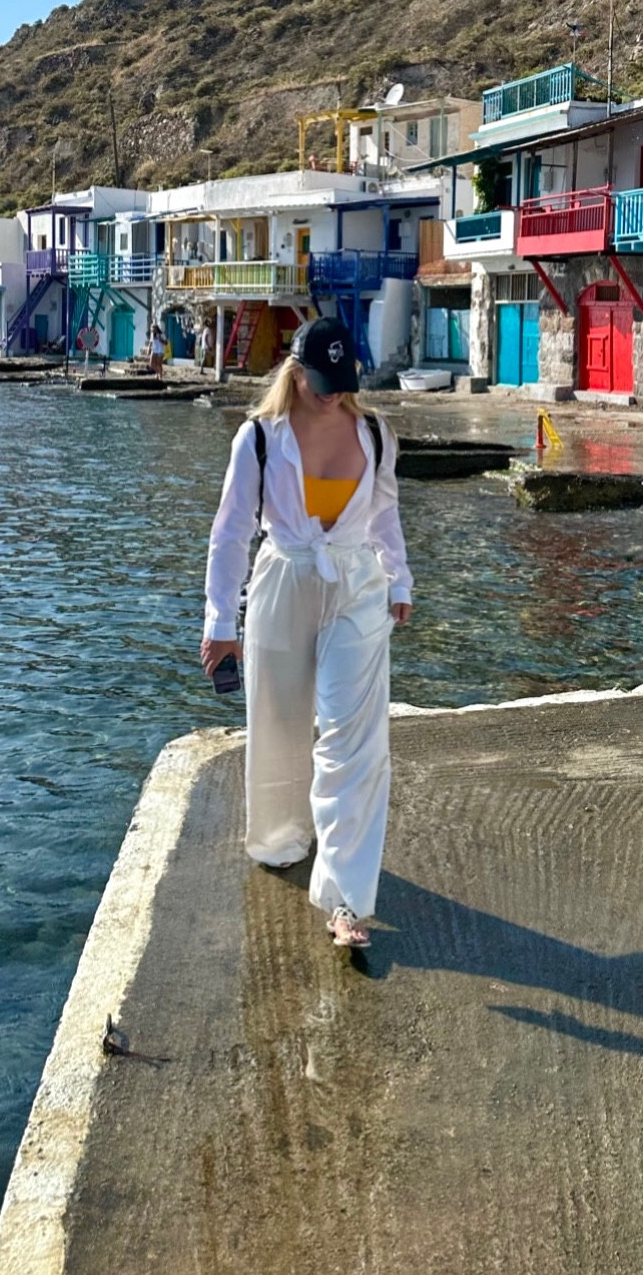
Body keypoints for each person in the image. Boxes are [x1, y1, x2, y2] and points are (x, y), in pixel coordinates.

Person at [201, 317, 413, 950]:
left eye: (341, 383)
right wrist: (220, 624)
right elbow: (231, 532)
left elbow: (384, 514)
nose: (330, 394)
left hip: (356, 589)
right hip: (283, 580)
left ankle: (347, 899)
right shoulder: (259, 439)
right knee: (279, 721)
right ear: (294, 372)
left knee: (355, 739)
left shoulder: (374, 432)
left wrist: (399, 582)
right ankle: (282, 838)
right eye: (320, 382)